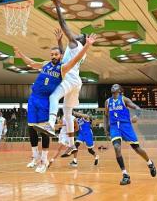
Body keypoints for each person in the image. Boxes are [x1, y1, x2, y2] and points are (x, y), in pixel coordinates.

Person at [15, 33, 96, 173]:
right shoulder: (46, 64)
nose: (53, 56)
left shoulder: (63, 68)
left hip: (45, 100)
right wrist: (20, 54)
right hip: (33, 97)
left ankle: (44, 160)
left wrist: (87, 46)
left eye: (56, 54)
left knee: (44, 131)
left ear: (61, 56)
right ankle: (35, 157)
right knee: (31, 128)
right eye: (51, 54)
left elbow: (76, 58)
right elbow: (31, 63)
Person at [34, 0, 89, 158]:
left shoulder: (76, 43)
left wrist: (58, 6)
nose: (76, 34)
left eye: (79, 35)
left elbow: (63, 24)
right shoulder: (75, 50)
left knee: (53, 96)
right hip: (75, 82)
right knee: (67, 113)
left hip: (69, 80)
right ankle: (72, 145)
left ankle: (50, 125)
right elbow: (65, 58)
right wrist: (59, 41)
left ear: (81, 40)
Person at [104, 84, 157, 185]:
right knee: (116, 147)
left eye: (116, 86)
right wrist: (105, 128)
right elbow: (106, 115)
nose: (113, 86)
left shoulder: (124, 99)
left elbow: (138, 108)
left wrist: (137, 116)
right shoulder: (107, 102)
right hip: (115, 127)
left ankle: (149, 163)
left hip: (126, 126)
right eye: (112, 86)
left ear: (120, 90)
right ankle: (125, 175)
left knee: (137, 149)